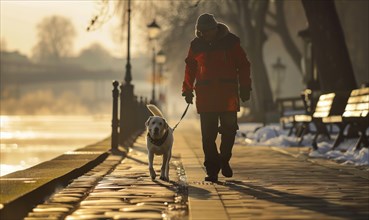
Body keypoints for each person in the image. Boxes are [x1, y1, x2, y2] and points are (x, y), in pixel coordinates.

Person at [182, 13, 252, 182]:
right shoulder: (196, 45)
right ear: (199, 32)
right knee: (208, 136)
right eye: (203, 32)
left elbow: (243, 65)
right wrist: (187, 89)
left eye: (209, 30)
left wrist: (245, 87)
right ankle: (212, 170)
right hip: (206, 97)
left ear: (215, 28)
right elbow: (190, 68)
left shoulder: (231, 42)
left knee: (229, 130)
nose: (207, 34)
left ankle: (224, 159)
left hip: (227, 95)